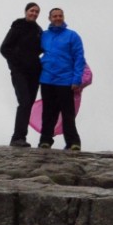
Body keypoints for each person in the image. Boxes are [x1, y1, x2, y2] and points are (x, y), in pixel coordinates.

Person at [37, 8, 85, 150]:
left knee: (67, 113)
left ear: (63, 17)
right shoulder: (43, 36)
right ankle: (45, 141)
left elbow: (79, 58)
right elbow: (32, 51)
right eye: (55, 16)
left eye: (60, 16)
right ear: (49, 18)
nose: (58, 18)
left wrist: (77, 79)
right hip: (46, 80)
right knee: (48, 112)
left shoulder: (72, 36)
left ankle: (73, 143)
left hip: (65, 80)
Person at [0, 2, 44, 146]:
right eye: (32, 11)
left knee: (28, 104)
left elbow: (41, 50)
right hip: (19, 72)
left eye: (37, 12)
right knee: (24, 102)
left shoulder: (39, 30)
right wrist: (17, 64)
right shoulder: (18, 26)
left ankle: (21, 137)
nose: (34, 14)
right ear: (26, 11)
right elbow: (4, 48)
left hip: (34, 73)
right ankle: (17, 137)